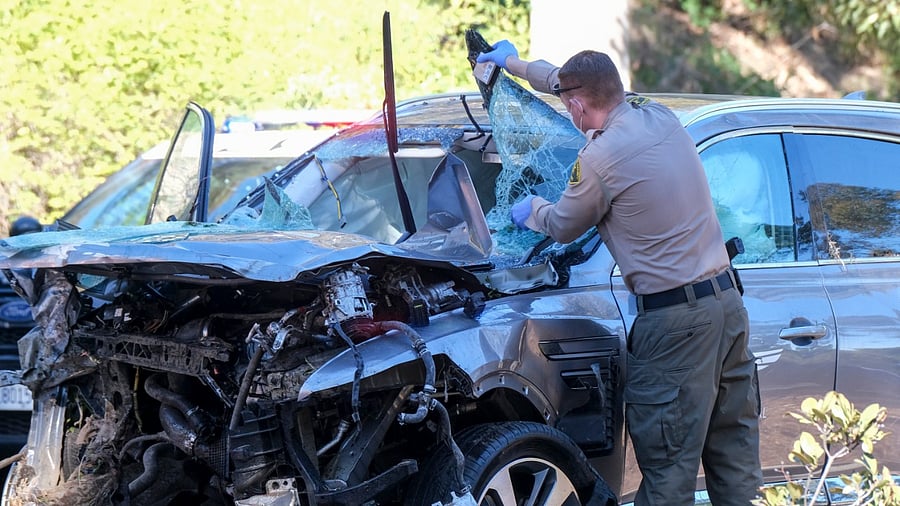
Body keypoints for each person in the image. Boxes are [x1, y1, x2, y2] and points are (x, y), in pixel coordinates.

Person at [477, 41, 763, 505]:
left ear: (575, 105)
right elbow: (563, 81)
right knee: (735, 472)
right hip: (727, 309)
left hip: (675, 327)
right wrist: (512, 63)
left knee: (668, 477)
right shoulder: (659, 116)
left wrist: (531, 210)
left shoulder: (598, 161)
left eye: (568, 104)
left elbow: (564, 227)